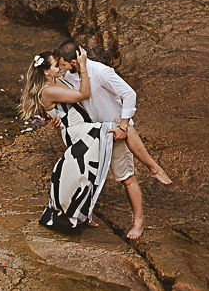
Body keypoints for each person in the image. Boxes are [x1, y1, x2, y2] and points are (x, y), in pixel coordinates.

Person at [50, 40, 171, 241]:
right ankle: (82, 215)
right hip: (90, 132)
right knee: (86, 176)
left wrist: (123, 125)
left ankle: (138, 221)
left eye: (63, 64)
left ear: (74, 60)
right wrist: (57, 119)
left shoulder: (101, 71)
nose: (61, 68)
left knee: (126, 177)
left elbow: (129, 94)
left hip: (112, 131)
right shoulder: (70, 76)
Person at [21, 49, 110, 234]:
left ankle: (84, 215)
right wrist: (83, 67)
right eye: (56, 66)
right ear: (46, 71)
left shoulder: (56, 81)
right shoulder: (49, 90)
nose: (60, 68)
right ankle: (72, 216)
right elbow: (83, 95)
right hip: (77, 132)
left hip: (81, 127)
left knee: (88, 175)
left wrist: (50, 117)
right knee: (87, 171)